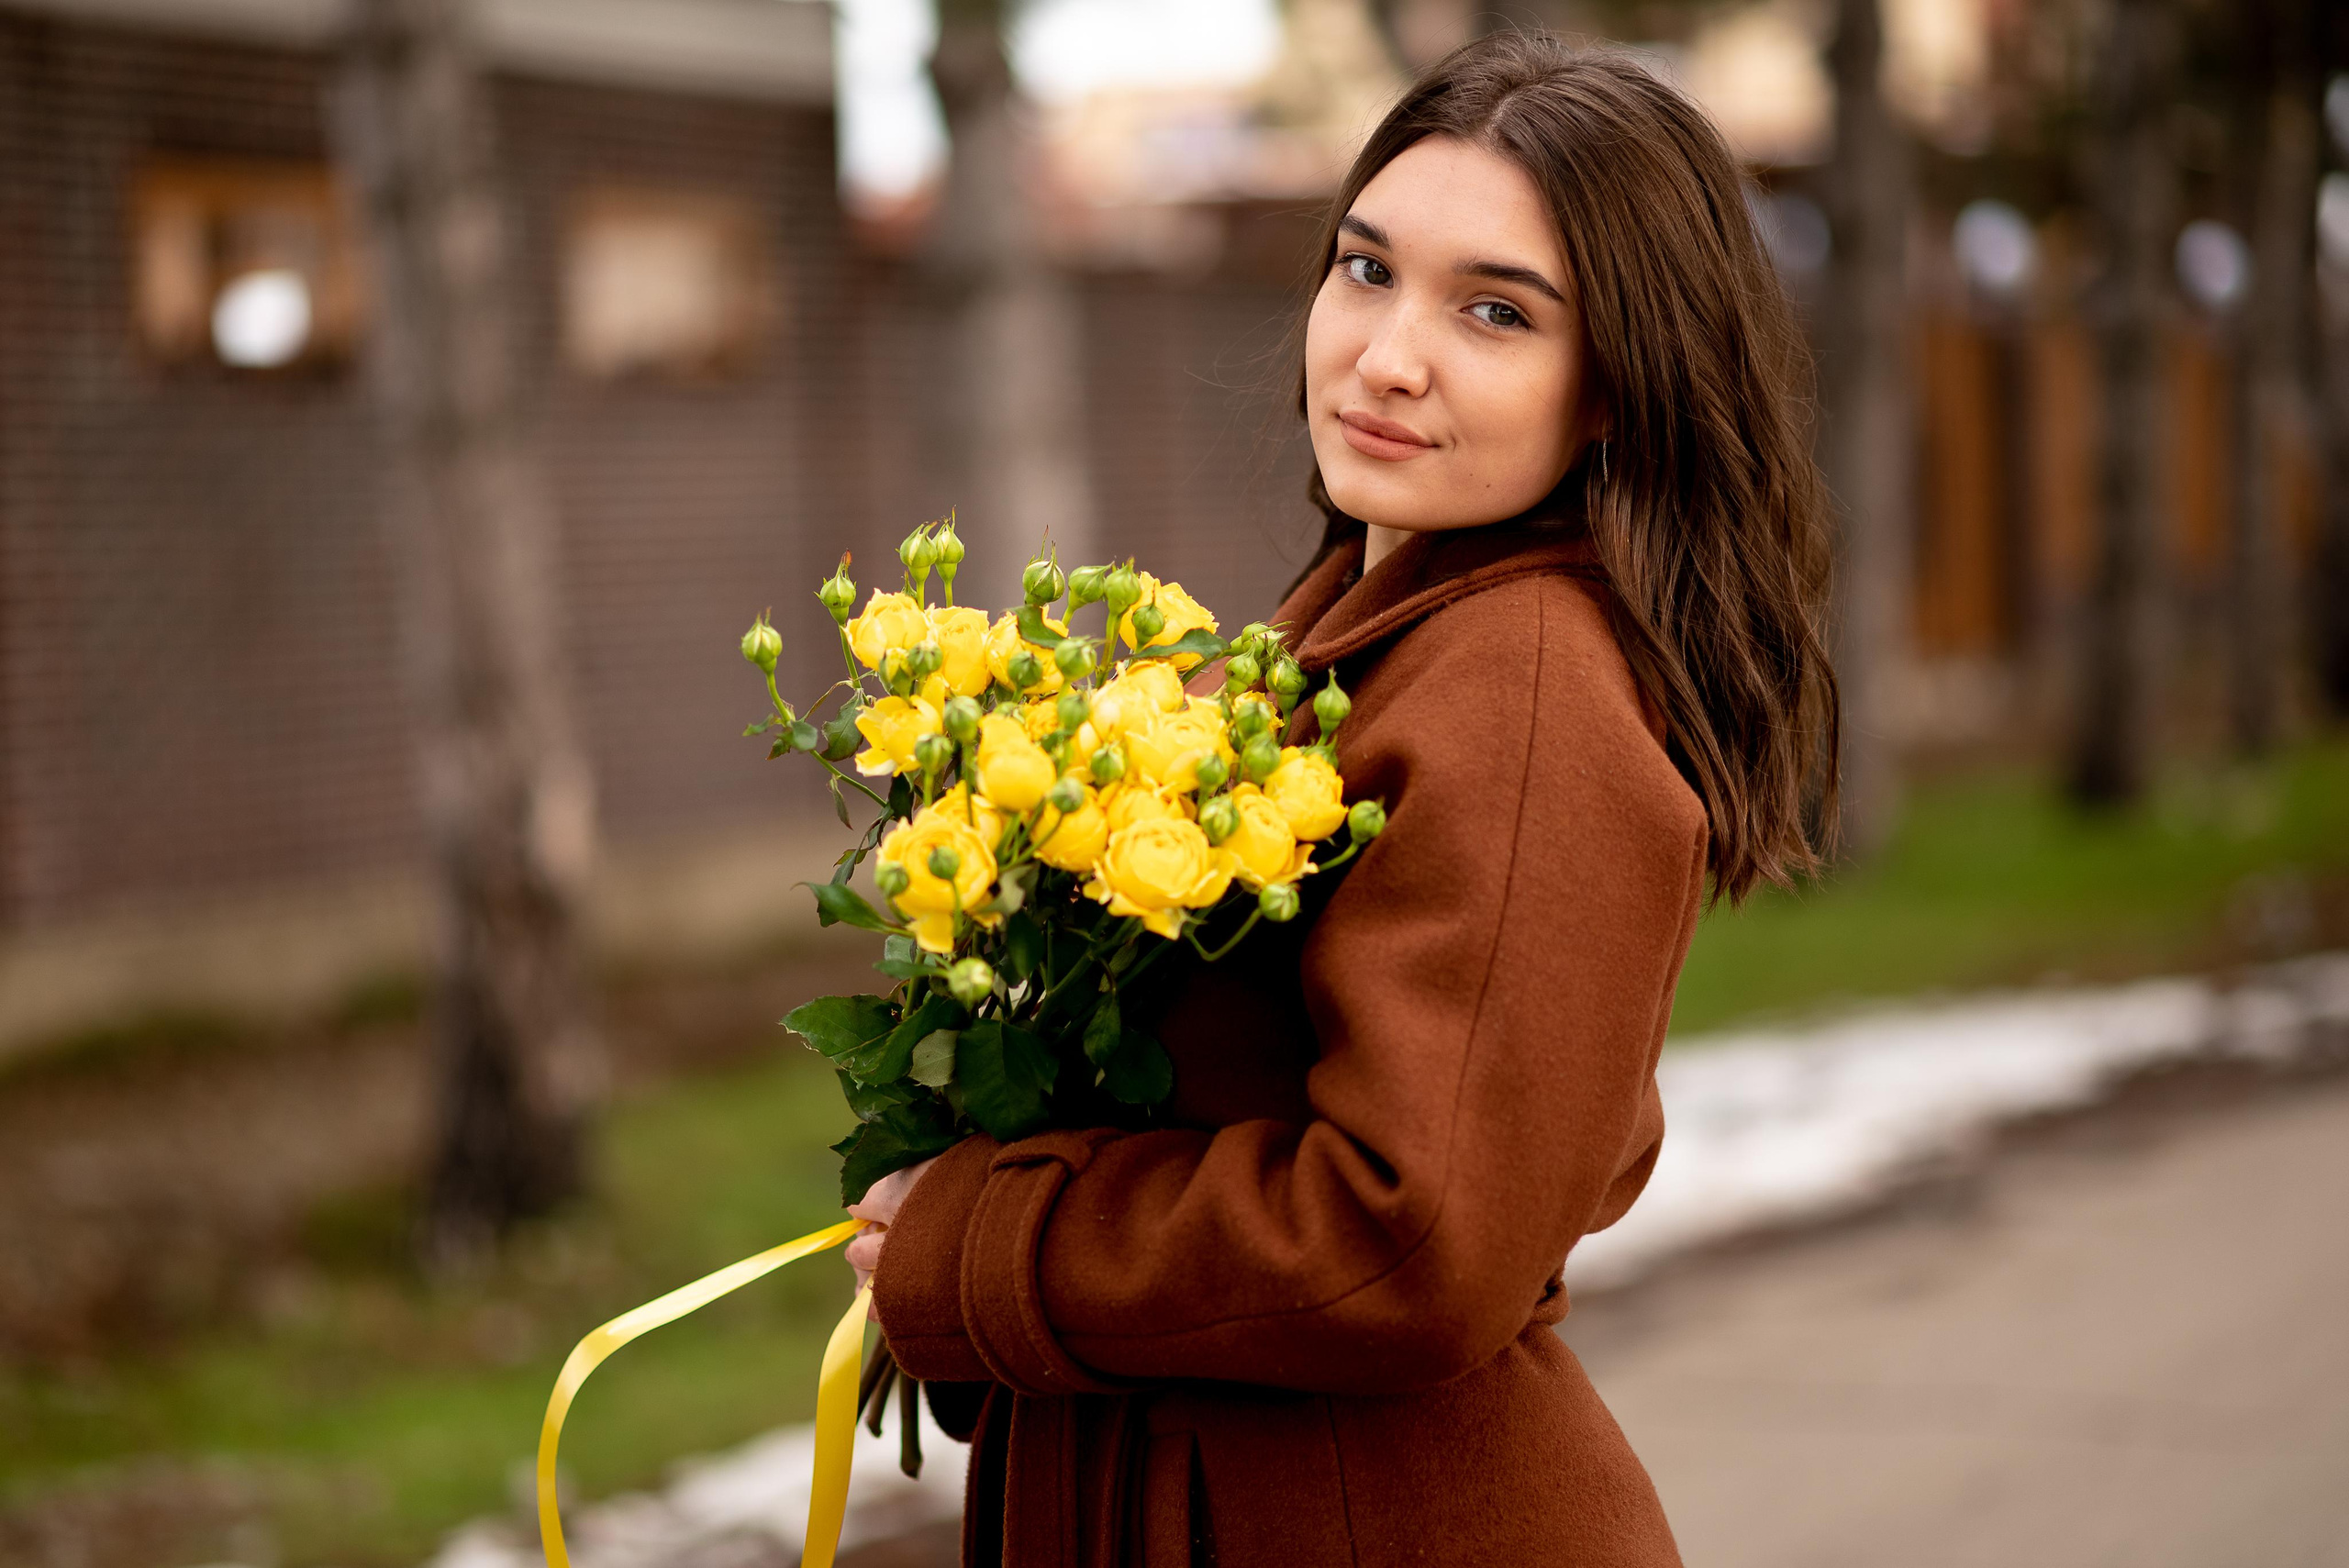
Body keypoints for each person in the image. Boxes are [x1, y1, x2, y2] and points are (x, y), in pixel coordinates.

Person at [844, 32, 1838, 1567]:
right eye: (1367, 271)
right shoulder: (1368, 636)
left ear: (1616, 392)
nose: (1389, 354)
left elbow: (1412, 1237)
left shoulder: (1514, 682)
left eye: (1495, 312)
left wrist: (999, 1240)